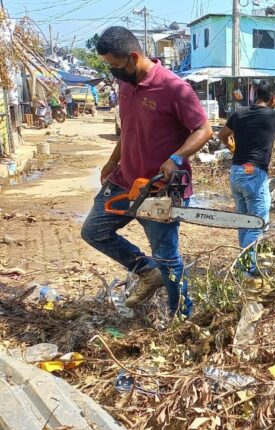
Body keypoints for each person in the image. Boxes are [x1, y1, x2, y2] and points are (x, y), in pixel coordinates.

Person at [81, 26, 212, 318]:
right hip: (124, 181)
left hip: (159, 188)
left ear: (134, 56)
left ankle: (182, 315)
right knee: (94, 231)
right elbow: (128, 129)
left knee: (167, 257)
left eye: (116, 65)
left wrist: (176, 158)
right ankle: (145, 270)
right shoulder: (125, 85)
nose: (114, 72)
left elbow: (204, 129)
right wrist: (112, 161)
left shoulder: (174, 87)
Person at [217, 79, 275, 274]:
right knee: (258, 223)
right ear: (274, 98)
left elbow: (222, 135)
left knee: (244, 220)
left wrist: (230, 145)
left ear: (256, 94)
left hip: (236, 172)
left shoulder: (239, 113)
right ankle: (246, 267)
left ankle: (244, 264)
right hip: (255, 174)